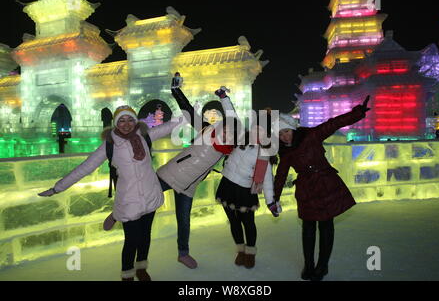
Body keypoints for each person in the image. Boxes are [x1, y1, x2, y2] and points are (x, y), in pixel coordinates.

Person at [103, 73, 239, 270]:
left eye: (231, 133)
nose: (227, 133)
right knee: (137, 194)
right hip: (170, 173)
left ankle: (183, 254)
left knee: (184, 222)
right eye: (225, 128)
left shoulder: (230, 151)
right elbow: (188, 111)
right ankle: (117, 215)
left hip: (189, 186)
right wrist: (177, 91)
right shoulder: (206, 129)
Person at [37, 105, 183, 281]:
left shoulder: (145, 136)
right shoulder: (110, 145)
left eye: (130, 119)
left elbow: (172, 124)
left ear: (135, 121)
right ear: (115, 123)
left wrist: (190, 111)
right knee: (132, 241)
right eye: (121, 120)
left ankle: (141, 268)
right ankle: (127, 274)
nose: (126, 124)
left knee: (145, 236)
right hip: (129, 201)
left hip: (151, 195)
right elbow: (85, 167)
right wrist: (57, 188)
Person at [273, 96, 371, 281]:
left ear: (293, 129)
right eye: (280, 134)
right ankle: (308, 265)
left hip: (325, 183)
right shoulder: (285, 152)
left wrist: (357, 113)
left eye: (286, 131)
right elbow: (280, 176)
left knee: (326, 225)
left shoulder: (311, 135)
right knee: (308, 228)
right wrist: (274, 198)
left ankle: (322, 265)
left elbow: (333, 124)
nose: (284, 136)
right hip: (306, 190)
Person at [216, 121, 281, 269]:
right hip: (227, 185)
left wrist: (271, 202)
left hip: (244, 192)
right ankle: (240, 250)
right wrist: (224, 97)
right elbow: (231, 116)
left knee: (248, 223)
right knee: (233, 221)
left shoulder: (265, 154)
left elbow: (267, 181)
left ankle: (250, 252)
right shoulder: (240, 141)